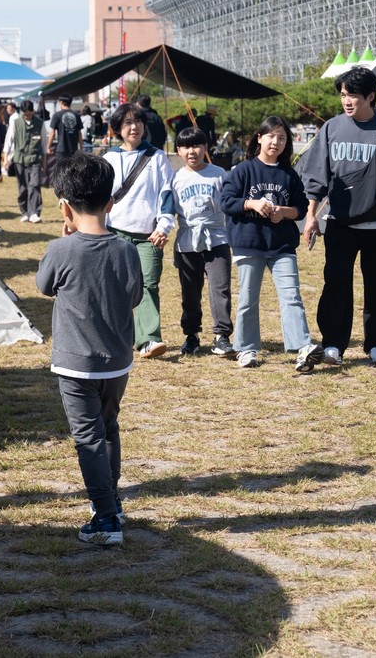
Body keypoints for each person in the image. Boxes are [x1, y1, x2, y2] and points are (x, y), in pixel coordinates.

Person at [36, 153, 143, 545]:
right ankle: (111, 499)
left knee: (88, 438)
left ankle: (107, 517)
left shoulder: (60, 250)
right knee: (108, 427)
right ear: (111, 201)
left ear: (65, 206)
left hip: (75, 364)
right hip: (117, 362)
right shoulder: (127, 250)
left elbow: (44, 287)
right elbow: (133, 298)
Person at [300, 67, 376, 367]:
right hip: (340, 222)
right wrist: (311, 216)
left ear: (370, 96)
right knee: (335, 283)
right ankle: (333, 344)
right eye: (343, 95)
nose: (347, 101)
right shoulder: (331, 128)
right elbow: (316, 176)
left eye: (353, 95)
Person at [220, 115, 322, 372]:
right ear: (259, 138)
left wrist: (284, 212)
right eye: (271, 136)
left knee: (291, 297)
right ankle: (245, 348)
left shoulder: (289, 174)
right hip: (249, 243)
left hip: (282, 246)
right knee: (248, 299)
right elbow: (226, 202)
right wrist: (251, 203)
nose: (275, 142)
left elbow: (300, 207)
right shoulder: (244, 170)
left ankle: (302, 348)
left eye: (282, 138)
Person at [104, 102, 176, 359]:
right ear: (117, 129)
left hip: (149, 234)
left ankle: (149, 339)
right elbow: (101, 199)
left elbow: (167, 193)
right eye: (127, 123)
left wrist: (164, 226)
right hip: (115, 232)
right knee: (116, 286)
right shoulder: (109, 158)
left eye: (138, 122)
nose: (134, 127)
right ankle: (117, 337)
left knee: (148, 284)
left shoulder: (157, 157)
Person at [171, 126, 235, 358]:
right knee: (190, 291)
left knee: (220, 288)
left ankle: (222, 336)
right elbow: (167, 208)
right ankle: (191, 336)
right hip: (187, 241)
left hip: (217, 238)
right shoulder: (175, 178)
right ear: (178, 150)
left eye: (197, 145)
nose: (192, 151)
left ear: (206, 148)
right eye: (186, 147)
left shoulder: (219, 174)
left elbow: (230, 204)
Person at [7, 100, 44, 222]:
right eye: (25, 114)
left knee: (34, 185)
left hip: (35, 159)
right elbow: (9, 140)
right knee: (22, 188)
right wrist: (6, 157)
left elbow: (43, 143)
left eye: (29, 114)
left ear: (33, 111)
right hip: (19, 160)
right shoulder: (15, 123)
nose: (27, 116)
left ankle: (34, 212)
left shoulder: (40, 123)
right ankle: (24, 212)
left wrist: (44, 161)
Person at [48, 93, 83, 162]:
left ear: (61, 102)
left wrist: (48, 146)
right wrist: (81, 148)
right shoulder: (76, 115)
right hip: (73, 149)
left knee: (61, 171)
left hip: (61, 150)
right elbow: (79, 134)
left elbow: (52, 133)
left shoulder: (56, 115)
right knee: (73, 171)